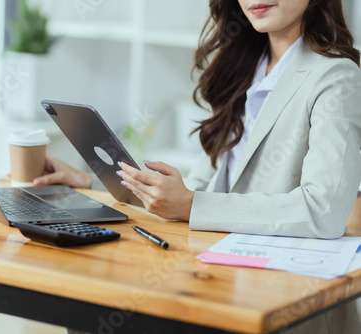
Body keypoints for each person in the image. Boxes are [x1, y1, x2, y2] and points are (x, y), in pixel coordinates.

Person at [35, 1, 361, 333]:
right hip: (217, 277)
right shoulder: (241, 68)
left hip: (280, 299)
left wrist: (191, 204)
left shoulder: (336, 76)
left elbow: (324, 210)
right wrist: (91, 183)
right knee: (90, 303)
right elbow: (199, 191)